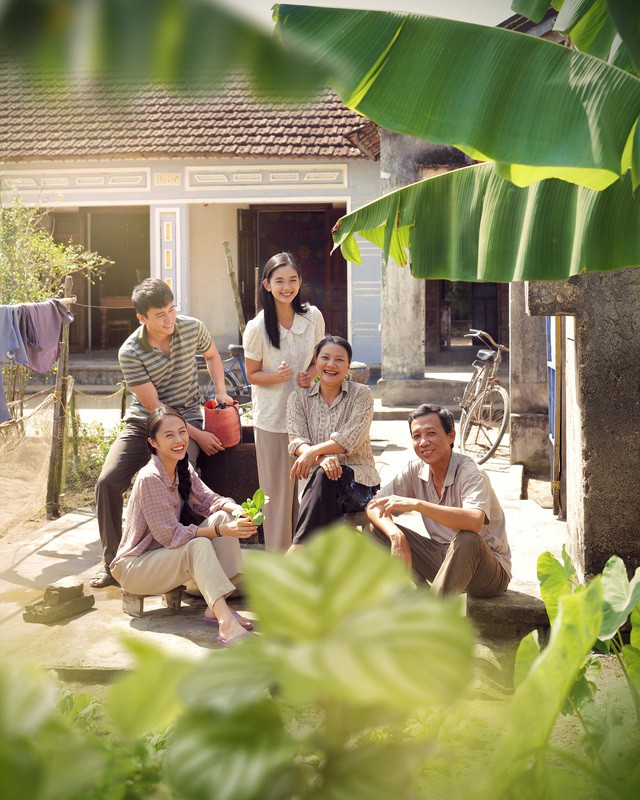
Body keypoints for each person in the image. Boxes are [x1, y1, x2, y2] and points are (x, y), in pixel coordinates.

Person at [92, 278, 234, 588]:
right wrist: (198, 435)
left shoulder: (192, 328)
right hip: (144, 421)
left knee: (186, 478)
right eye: (160, 314)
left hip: (188, 416)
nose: (169, 319)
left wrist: (220, 392)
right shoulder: (130, 351)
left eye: (172, 310)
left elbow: (212, 355)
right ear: (141, 318)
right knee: (106, 483)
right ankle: (113, 563)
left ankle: (186, 564)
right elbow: (156, 409)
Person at [110, 406, 257, 646]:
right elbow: (172, 537)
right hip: (136, 568)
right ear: (153, 442)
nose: (179, 440)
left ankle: (217, 607)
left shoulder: (181, 466)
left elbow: (210, 499)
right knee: (199, 544)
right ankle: (225, 623)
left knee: (221, 517)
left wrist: (237, 511)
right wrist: (221, 531)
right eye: (169, 435)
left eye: (182, 432)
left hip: (164, 559)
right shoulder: (150, 478)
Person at [367, 403, 511, 597]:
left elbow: (474, 522)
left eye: (431, 433)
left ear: (451, 436)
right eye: (417, 436)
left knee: (467, 539)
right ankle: (420, 594)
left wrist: (418, 505)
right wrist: (396, 536)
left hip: (487, 571)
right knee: (375, 528)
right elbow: (373, 506)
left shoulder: (470, 472)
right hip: (443, 558)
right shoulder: (415, 470)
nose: (424, 442)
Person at [243, 252, 325, 551]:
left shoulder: (312, 316)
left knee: (309, 494)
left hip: (310, 416)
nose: (286, 287)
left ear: (300, 283)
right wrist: (277, 378)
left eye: (292, 280)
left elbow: (321, 361)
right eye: (279, 281)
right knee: (277, 499)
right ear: (266, 285)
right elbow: (252, 374)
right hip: (273, 420)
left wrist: (310, 375)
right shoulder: (257, 327)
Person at [287, 335, 380, 546]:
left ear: (348, 366)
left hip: (358, 481)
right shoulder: (298, 399)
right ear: (316, 362)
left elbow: (351, 438)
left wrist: (312, 453)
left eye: (339, 360)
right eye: (325, 357)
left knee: (325, 476)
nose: (331, 364)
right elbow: (296, 439)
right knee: (324, 474)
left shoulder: (361, 395)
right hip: (316, 482)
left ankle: (297, 550)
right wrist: (321, 459)